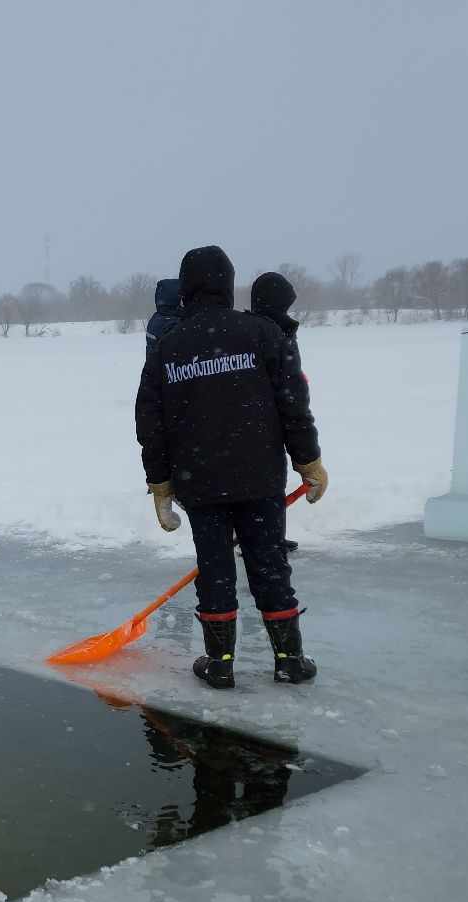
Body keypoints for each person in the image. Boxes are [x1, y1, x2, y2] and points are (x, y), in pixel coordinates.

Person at [135, 246, 327, 689]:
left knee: (215, 569)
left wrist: (160, 484)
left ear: (186, 288)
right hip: (259, 477)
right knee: (270, 565)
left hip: (199, 481)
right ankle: (289, 659)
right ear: (228, 282)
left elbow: (150, 422)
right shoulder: (262, 333)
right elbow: (293, 406)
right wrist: (309, 461)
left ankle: (219, 663)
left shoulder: (168, 345)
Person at [246, 271, 309, 555]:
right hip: (265, 421)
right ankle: (260, 539)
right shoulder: (267, 333)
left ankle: (270, 536)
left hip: (271, 419)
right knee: (264, 486)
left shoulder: (276, 331)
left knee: (272, 483)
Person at [145, 277, 183, 359]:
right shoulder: (171, 324)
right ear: (174, 299)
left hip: (155, 364)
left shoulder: (157, 318)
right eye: (182, 299)